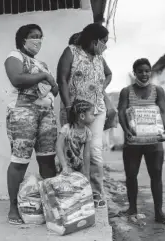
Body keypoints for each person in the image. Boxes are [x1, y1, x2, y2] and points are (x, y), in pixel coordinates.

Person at [4, 24, 58, 225]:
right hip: (22, 112)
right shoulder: (14, 56)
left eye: (40, 37)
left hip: (45, 113)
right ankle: (13, 208)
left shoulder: (42, 63)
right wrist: (44, 76)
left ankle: (50, 206)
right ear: (23, 39)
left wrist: (52, 90)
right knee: (20, 160)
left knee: (47, 160)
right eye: (34, 36)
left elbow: (54, 90)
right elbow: (17, 79)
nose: (38, 40)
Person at [57, 23, 112, 206]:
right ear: (94, 39)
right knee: (71, 152)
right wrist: (67, 107)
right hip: (74, 111)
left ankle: (96, 193)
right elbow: (62, 79)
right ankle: (72, 193)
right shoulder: (71, 52)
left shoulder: (99, 58)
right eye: (103, 41)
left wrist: (100, 89)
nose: (105, 45)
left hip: (96, 110)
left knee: (94, 152)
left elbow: (108, 74)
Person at [117, 58, 165, 225]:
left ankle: (159, 213)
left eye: (147, 71)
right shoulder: (126, 91)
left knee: (156, 175)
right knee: (131, 175)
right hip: (133, 141)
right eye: (140, 71)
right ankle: (132, 208)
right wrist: (126, 131)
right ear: (135, 73)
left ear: (151, 72)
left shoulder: (158, 91)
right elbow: (121, 112)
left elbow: (163, 110)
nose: (144, 74)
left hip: (154, 142)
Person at [56, 100, 94, 178]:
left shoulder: (88, 132)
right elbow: (58, 147)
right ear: (82, 116)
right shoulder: (66, 129)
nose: (94, 117)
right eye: (92, 114)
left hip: (78, 163)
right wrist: (64, 166)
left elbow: (86, 154)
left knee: (83, 183)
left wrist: (87, 172)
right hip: (65, 163)